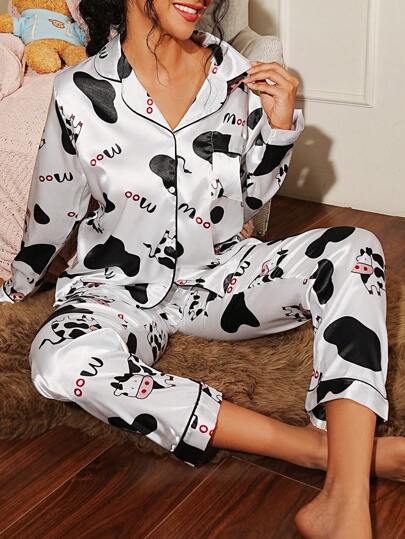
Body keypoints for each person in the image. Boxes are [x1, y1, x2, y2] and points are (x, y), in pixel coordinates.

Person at [0, 0, 404, 537]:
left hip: (218, 279)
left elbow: (248, 199)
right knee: (58, 361)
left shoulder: (234, 76)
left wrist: (278, 129)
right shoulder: (77, 90)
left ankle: (344, 500)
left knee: (355, 248)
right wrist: (17, 286)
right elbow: (52, 207)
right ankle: (317, 450)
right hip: (114, 289)